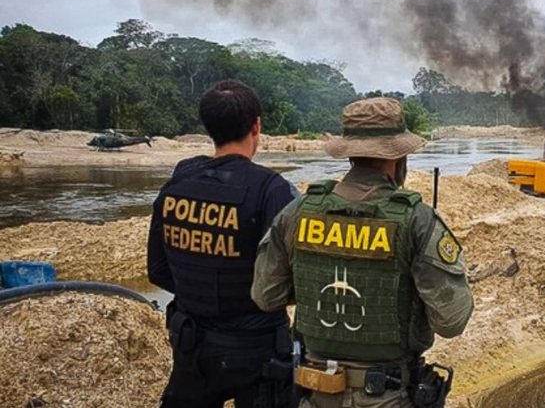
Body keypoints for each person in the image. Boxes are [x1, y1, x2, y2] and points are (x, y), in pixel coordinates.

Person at [251, 97, 474, 408]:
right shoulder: (418, 221)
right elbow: (451, 320)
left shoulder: (298, 212)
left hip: (314, 391)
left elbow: (266, 296)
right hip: (388, 396)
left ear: (350, 154)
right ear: (399, 157)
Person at [148, 80, 298, 407]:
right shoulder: (272, 190)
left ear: (209, 127)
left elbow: (157, 270)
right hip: (257, 350)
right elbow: (290, 281)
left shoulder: (177, 183)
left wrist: (199, 295)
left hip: (191, 343)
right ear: (257, 125)